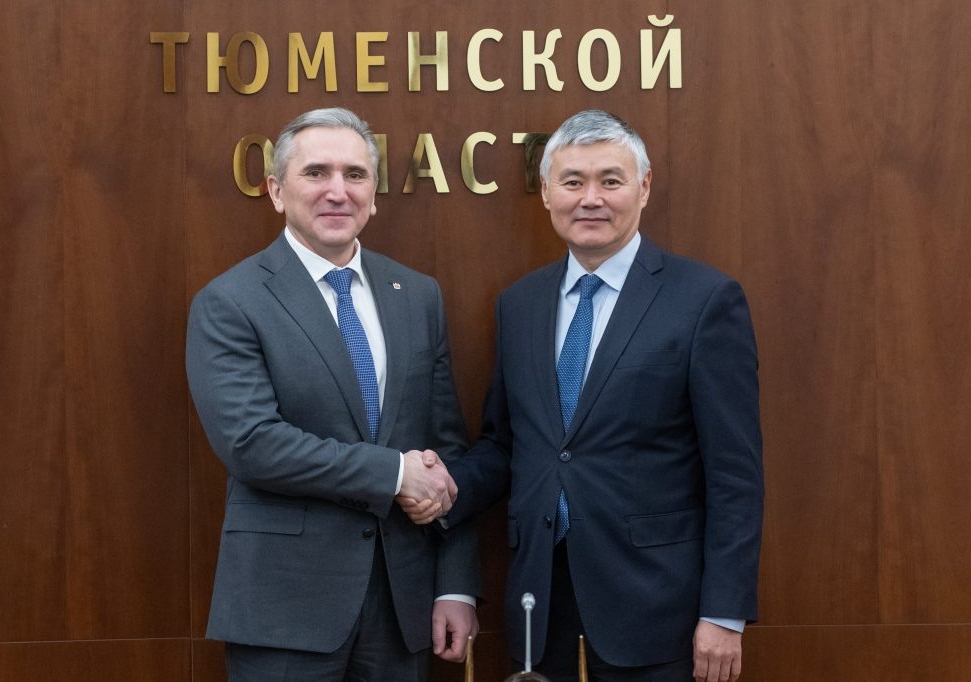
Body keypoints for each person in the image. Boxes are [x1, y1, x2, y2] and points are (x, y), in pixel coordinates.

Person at [410, 110, 764, 682]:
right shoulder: (519, 304)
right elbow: (507, 445)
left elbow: (735, 472)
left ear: (643, 187)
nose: (590, 199)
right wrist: (442, 487)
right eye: (573, 181)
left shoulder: (704, 300)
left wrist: (724, 611)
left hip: (658, 610)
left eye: (610, 180)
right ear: (547, 192)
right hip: (540, 604)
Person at [186, 107, 480, 682]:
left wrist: (456, 585)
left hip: (402, 606)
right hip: (285, 608)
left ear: (373, 195)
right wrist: (393, 473)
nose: (338, 191)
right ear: (276, 191)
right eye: (316, 172)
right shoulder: (231, 301)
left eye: (355, 174)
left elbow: (446, 451)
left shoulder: (417, 295)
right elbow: (252, 444)